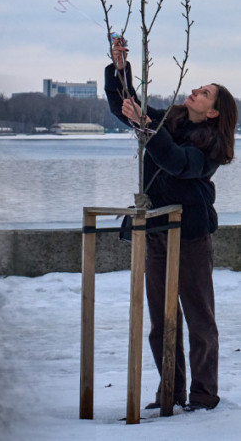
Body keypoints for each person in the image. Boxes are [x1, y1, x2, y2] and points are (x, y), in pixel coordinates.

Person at [106, 37, 237, 412]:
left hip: (191, 235)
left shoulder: (211, 148)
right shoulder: (169, 119)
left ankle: (203, 395)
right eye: (200, 87)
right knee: (161, 322)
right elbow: (125, 106)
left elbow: (177, 162)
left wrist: (148, 125)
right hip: (156, 233)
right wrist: (120, 69)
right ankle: (170, 392)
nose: (195, 90)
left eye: (205, 92)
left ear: (214, 112)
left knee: (199, 318)